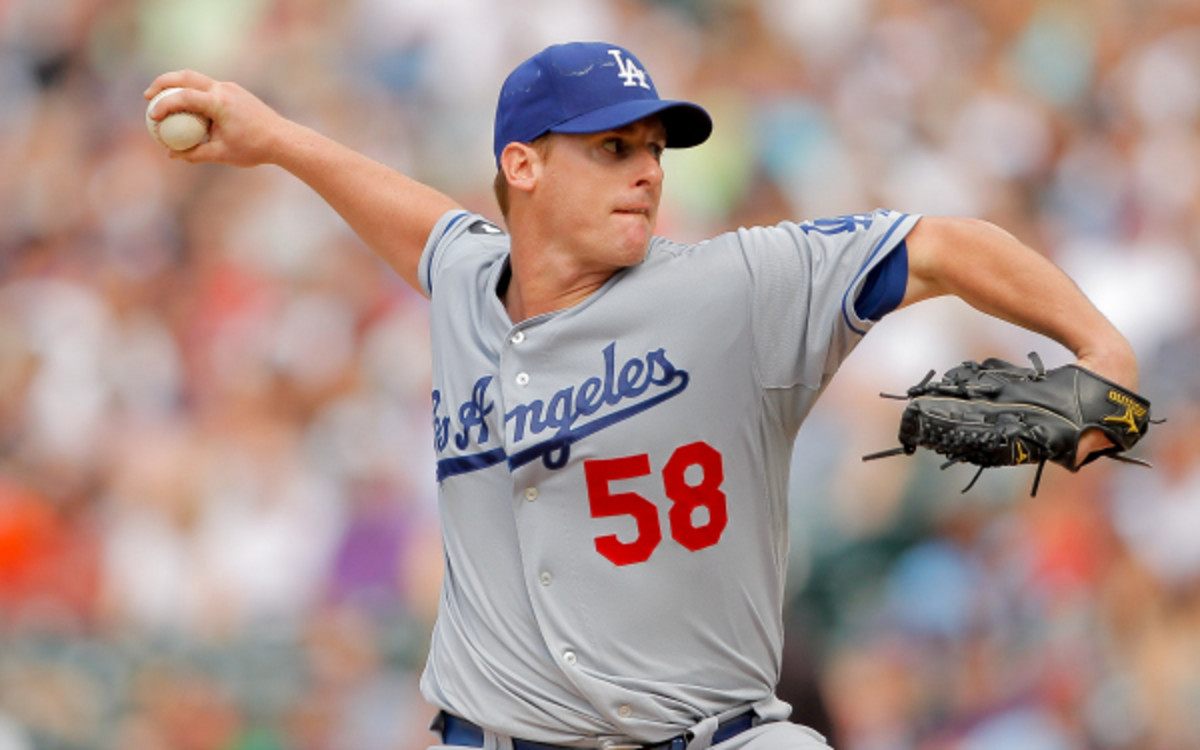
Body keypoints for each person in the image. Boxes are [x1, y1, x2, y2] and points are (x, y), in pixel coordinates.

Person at [145, 41, 1139, 750]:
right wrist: (275, 139)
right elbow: (421, 223)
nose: (648, 174)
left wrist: (1099, 347)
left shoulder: (734, 287)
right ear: (521, 166)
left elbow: (945, 245)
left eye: (655, 148)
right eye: (612, 149)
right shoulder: (465, 281)